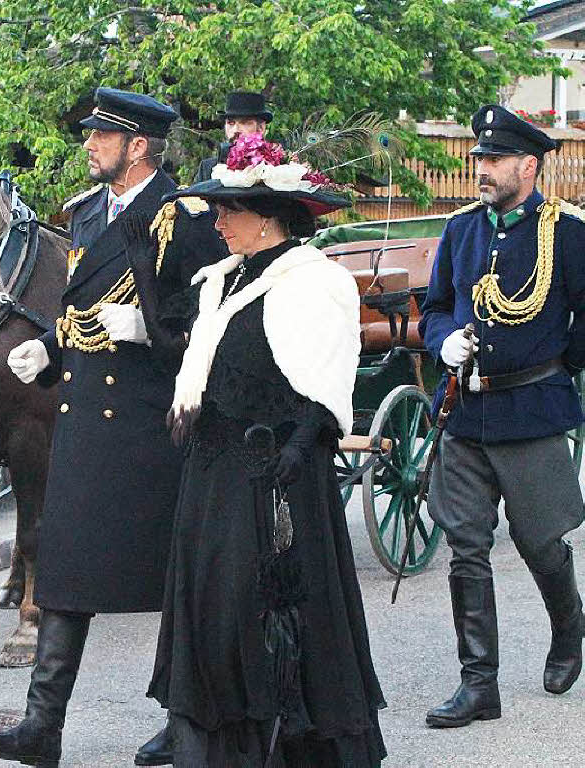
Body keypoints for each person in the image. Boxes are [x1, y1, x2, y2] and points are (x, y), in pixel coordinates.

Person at [0, 87, 225, 768]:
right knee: (64, 570)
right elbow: (81, 311)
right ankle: (40, 727)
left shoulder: (185, 219)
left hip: (151, 425)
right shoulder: (87, 218)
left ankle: (186, 723)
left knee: (178, 581)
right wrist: (50, 351)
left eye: (100, 136)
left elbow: (216, 325)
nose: (88, 145)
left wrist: (148, 330)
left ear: (136, 146)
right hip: (85, 421)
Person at [148, 133, 387, 766]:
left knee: (271, 616)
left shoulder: (314, 282)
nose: (219, 220)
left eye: (230, 210)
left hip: (275, 476)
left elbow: (328, 380)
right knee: (214, 612)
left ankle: (287, 749)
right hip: (213, 472)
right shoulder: (220, 283)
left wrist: (298, 449)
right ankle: (216, 746)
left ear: (268, 219)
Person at [419, 104, 585, 728]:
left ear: (529, 164)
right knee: (466, 546)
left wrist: (553, 364)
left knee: (541, 541)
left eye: (492, 161)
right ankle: (478, 682)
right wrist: (442, 343)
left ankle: (569, 626)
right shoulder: (462, 229)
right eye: (478, 160)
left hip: (533, 411)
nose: (481, 170)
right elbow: (435, 306)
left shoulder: (568, 232)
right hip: (465, 411)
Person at [194, 92, 274, 183]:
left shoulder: (276, 167)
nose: (236, 130)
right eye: (231, 123)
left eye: (244, 123)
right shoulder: (207, 168)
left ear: (261, 128)